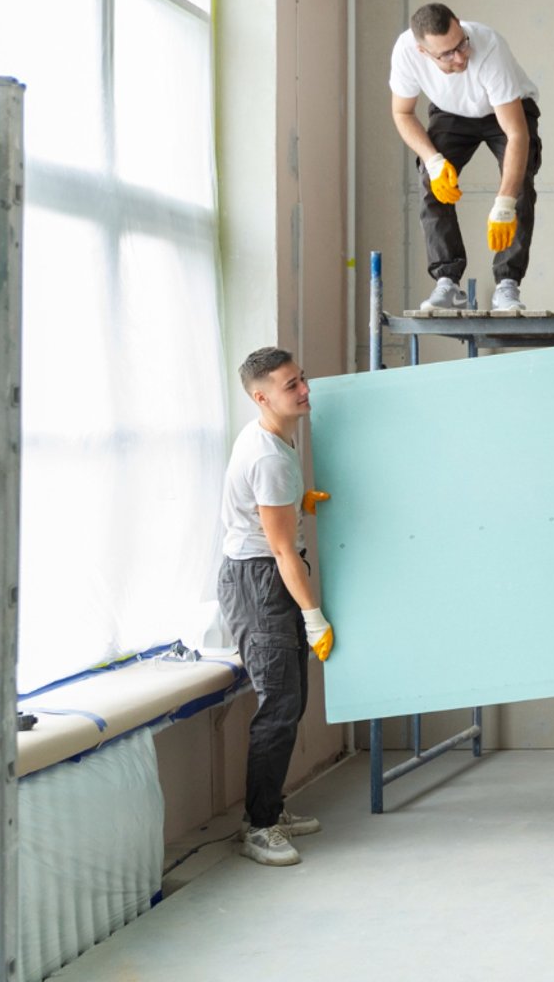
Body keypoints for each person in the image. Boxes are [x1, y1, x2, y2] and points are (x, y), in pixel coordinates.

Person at [219, 346, 334, 867]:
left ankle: (270, 809)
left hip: (266, 571)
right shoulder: (267, 456)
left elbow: (276, 526)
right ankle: (259, 826)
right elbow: (284, 551)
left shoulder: (274, 435)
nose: (305, 389)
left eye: (302, 379)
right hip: (261, 581)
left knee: (291, 703)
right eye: (292, 385)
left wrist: (297, 503)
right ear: (261, 396)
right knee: (280, 706)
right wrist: (314, 617)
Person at [389, 2, 542, 311]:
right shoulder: (405, 52)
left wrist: (504, 204)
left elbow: (516, 135)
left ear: (459, 24)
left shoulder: (488, 47)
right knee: (432, 181)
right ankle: (447, 282)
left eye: (461, 44)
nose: (460, 57)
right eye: (446, 54)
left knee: (518, 183)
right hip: (451, 111)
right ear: (423, 51)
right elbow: (402, 113)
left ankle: (507, 285)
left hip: (506, 110)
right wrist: (433, 161)